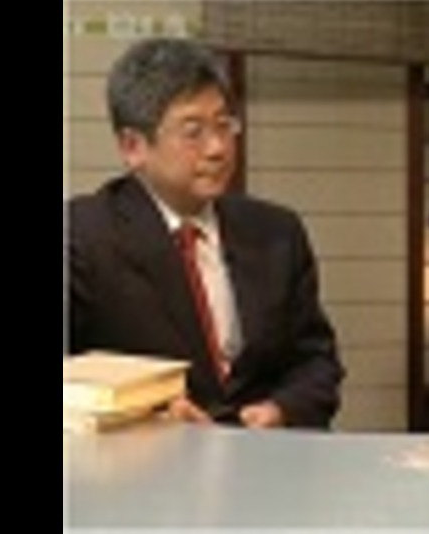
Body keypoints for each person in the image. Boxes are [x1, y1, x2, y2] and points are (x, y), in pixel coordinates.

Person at [66, 38, 344, 428]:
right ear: (133, 147)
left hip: (263, 454)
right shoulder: (82, 237)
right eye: (193, 131)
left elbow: (315, 362)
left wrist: (280, 410)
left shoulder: (277, 232)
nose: (217, 148)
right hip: (144, 460)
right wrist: (149, 415)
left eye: (224, 125)